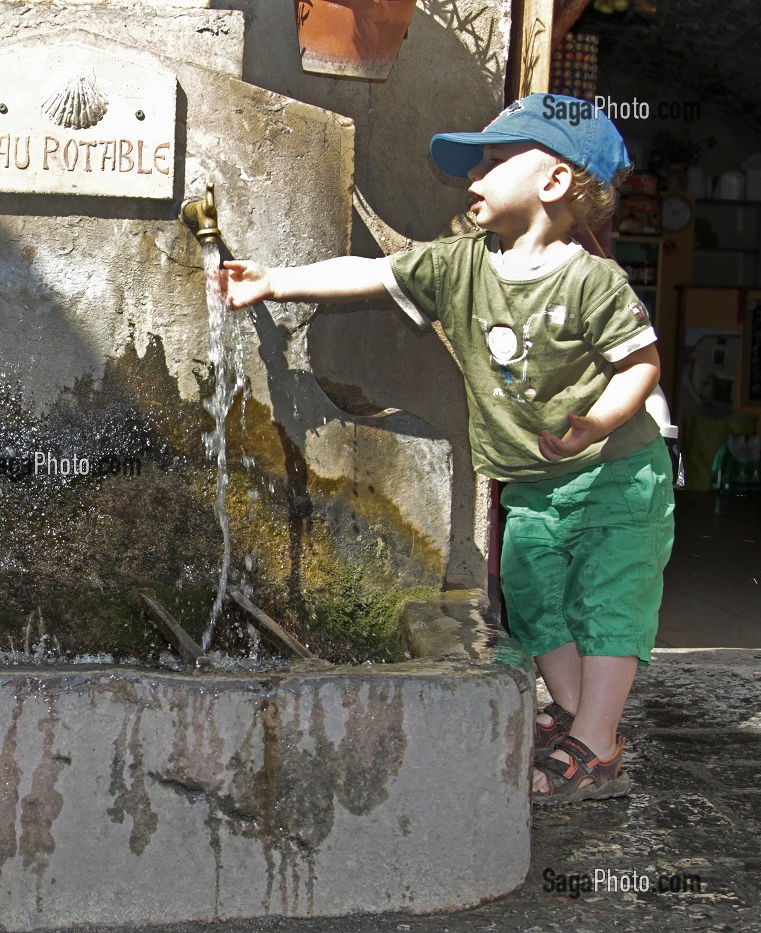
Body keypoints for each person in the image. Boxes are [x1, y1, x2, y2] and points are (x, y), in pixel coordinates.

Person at [223, 94, 674, 806]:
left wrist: (596, 420)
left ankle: (598, 740)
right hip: (531, 484)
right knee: (533, 602)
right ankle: (572, 705)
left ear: (554, 182)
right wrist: (275, 281)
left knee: (609, 602)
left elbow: (640, 364)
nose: (476, 176)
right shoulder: (461, 266)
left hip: (617, 475)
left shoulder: (593, 280)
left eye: (495, 162)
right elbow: (370, 274)